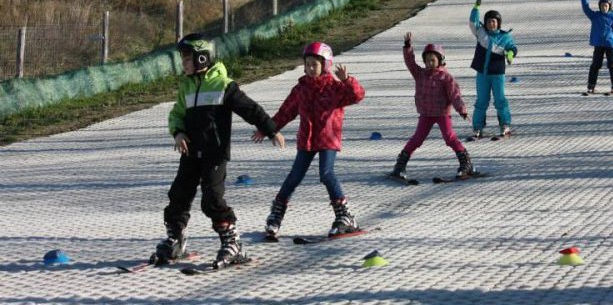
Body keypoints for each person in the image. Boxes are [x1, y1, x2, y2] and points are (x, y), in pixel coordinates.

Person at [160, 33, 285, 268]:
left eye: (186, 59)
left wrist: (270, 129)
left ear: (202, 58)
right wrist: (178, 132)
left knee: (212, 199)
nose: (183, 64)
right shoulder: (186, 86)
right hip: (190, 153)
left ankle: (232, 243)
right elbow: (177, 113)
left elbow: (250, 108)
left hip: (214, 153)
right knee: (178, 195)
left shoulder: (223, 85)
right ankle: (175, 239)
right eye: (182, 59)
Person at [263, 42, 365, 240]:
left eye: (315, 65)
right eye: (307, 64)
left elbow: (357, 95)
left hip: (328, 138)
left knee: (326, 174)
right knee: (294, 177)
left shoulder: (335, 87)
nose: (310, 69)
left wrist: (347, 81)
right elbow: (285, 112)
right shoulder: (301, 89)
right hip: (307, 140)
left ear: (325, 65)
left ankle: (345, 217)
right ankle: (275, 216)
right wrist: (267, 128)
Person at [390, 32, 475, 181]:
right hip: (426, 114)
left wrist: (462, 110)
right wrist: (408, 47)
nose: (429, 63)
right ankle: (400, 166)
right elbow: (410, 63)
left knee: (449, 138)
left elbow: (455, 95)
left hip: (442, 113)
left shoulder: (446, 77)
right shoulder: (420, 74)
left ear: (440, 60)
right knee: (417, 139)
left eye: (432, 60)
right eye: (427, 60)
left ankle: (466, 164)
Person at [467, 0, 518, 140]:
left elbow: (513, 48)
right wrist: (476, 8)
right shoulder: (481, 33)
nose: (491, 24)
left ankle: (505, 125)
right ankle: (477, 127)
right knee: (481, 101)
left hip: (497, 74)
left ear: (498, 23)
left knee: (500, 100)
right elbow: (473, 22)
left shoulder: (504, 37)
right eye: (489, 21)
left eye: (494, 21)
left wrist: (510, 55)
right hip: (482, 74)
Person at [580, 0, 613, 95]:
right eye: (602, 6)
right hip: (598, 44)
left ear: (609, 6)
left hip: (610, 45)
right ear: (599, 6)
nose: (604, 8)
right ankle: (591, 86)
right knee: (595, 65)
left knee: (612, 65)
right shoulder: (595, 16)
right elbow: (586, 9)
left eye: (606, 6)